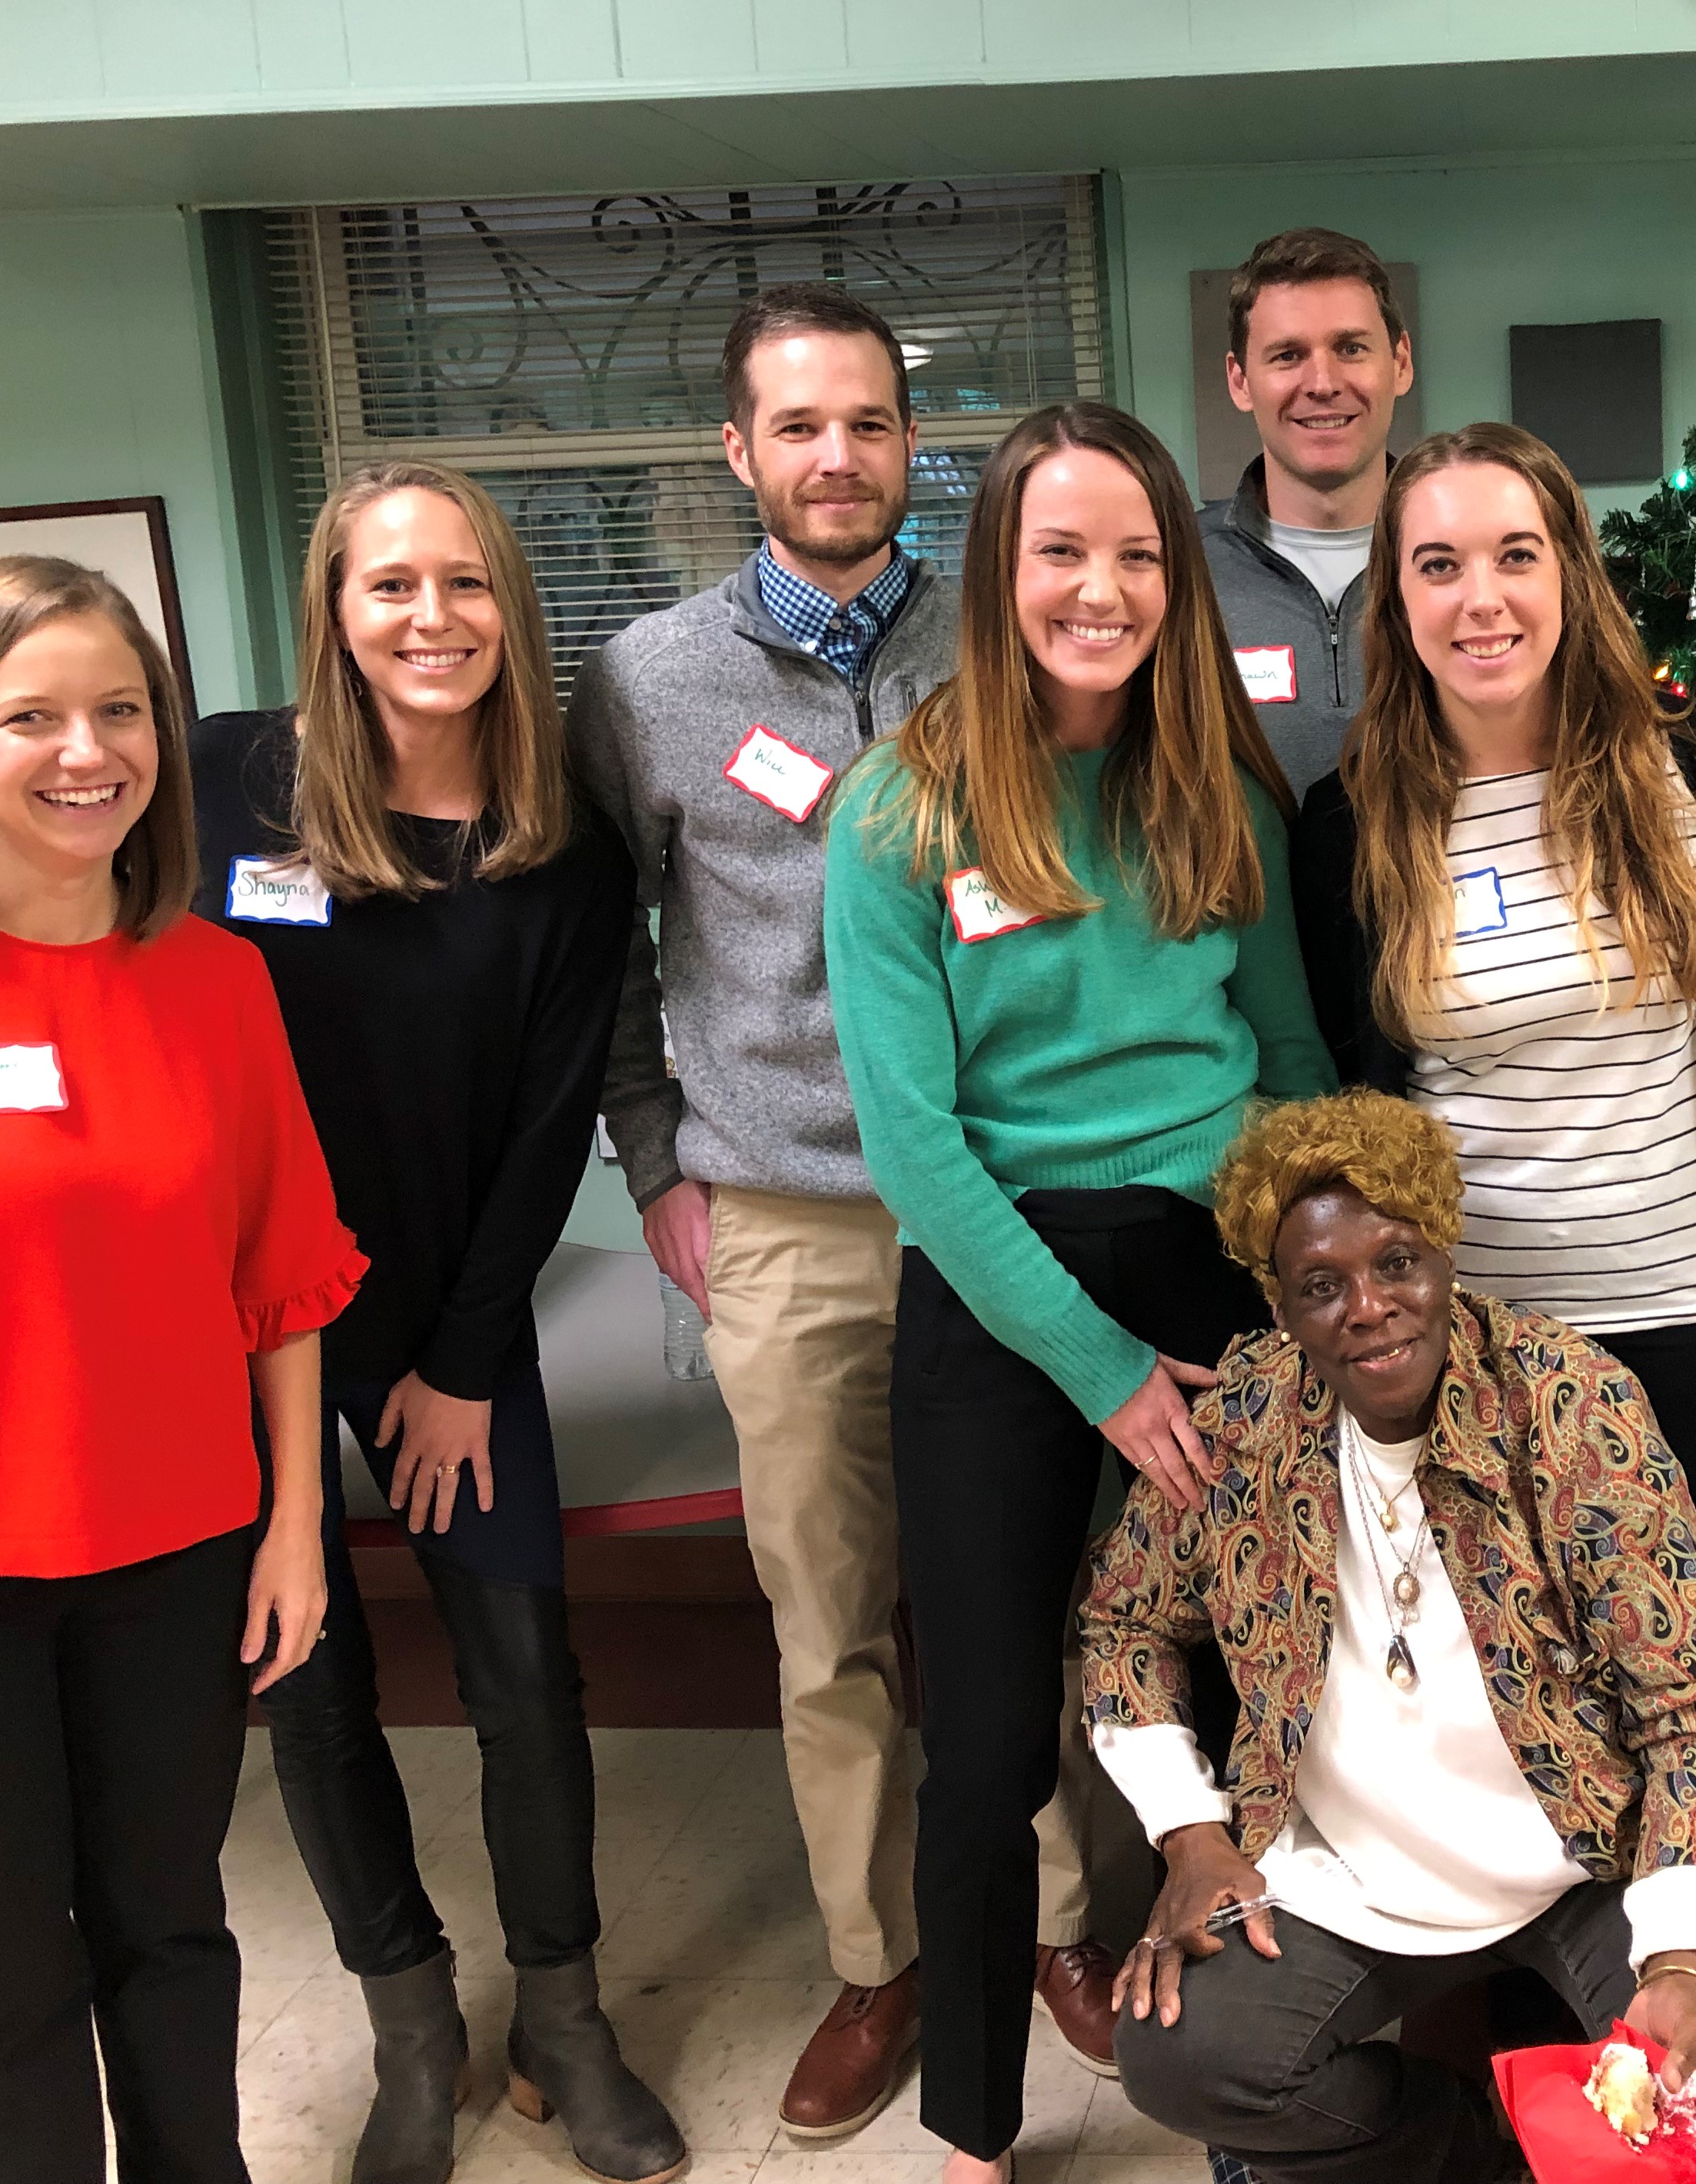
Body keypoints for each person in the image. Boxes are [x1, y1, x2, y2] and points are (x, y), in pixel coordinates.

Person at [569, 281, 1120, 2135]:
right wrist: (656, 1166)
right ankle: (881, 1960)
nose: (835, 455)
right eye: (796, 426)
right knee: (831, 1622)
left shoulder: (1005, 653)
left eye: (869, 423)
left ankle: (1039, 1919)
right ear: (738, 452)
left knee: (1010, 1597)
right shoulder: (649, 682)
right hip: (791, 1211)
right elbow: (605, 959)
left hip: (998, 1190)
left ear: (911, 445)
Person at [823, 398, 1337, 2180]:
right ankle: (971, 2125)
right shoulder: (901, 806)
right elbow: (912, 1144)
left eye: (1136, 553)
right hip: (1001, 1286)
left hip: (1217, 1267)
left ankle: (1234, 2067)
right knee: (980, 1742)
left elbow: (1284, 1065)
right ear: (1000, 570)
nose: (1101, 586)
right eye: (1063, 550)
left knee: (1236, 1695)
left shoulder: (1219, 790)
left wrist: (1286, 1308)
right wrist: (1106, 1368)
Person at [191, 462, 680, 2184]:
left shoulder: (564, 852)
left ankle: (565, 2020)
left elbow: (554, 1123)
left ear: (512, 613)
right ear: (334, 608)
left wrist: (467, 1365)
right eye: (391, 584)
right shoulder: (231, 787)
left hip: (454, 1317)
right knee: (303, 1676)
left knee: (524, 1676)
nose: (431, 617)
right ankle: (411, 2020)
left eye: (465, 584)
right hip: (243, 1322)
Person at [1084, 1089, 1696, 2184]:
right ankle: (1466, 2145)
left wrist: (1676, 1960)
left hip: (1589, 1854)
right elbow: (1124, 1619)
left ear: (1443, 1254)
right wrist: (1191, 1834)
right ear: (1279, 1304)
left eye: (1396, 1264)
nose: (1369, 1307)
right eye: (1321, 1285)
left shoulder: (1571, 1406)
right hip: (1344, 1865)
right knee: (1185, 2053)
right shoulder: (1245, 1421)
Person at [0, 555, 365, 2184]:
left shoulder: (216, 981)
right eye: (32, 717)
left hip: (177, 1557)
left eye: (122, 709)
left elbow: (284, 1283)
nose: (90, 751)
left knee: (173, 1929)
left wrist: (297, 1527)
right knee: (6, 1973)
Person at [1289, 423, 1696, 1501]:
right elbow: (1346, 1080)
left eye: (1516, 554)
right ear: (1397, 602)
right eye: (1438, 566)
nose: (1480, 597)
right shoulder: (1350, 826)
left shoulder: (1691, 777)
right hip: (1458, 1328)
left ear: (1569, 574)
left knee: (1652, 1645)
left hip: (1682, 1305)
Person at [1200, 226, 1414, 795]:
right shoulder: (1176, 574)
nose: (1322, 383)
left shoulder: (1466, 564)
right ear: (1241, 381)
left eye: (1351, 348)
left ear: (1400, 362)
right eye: (1288, 355)